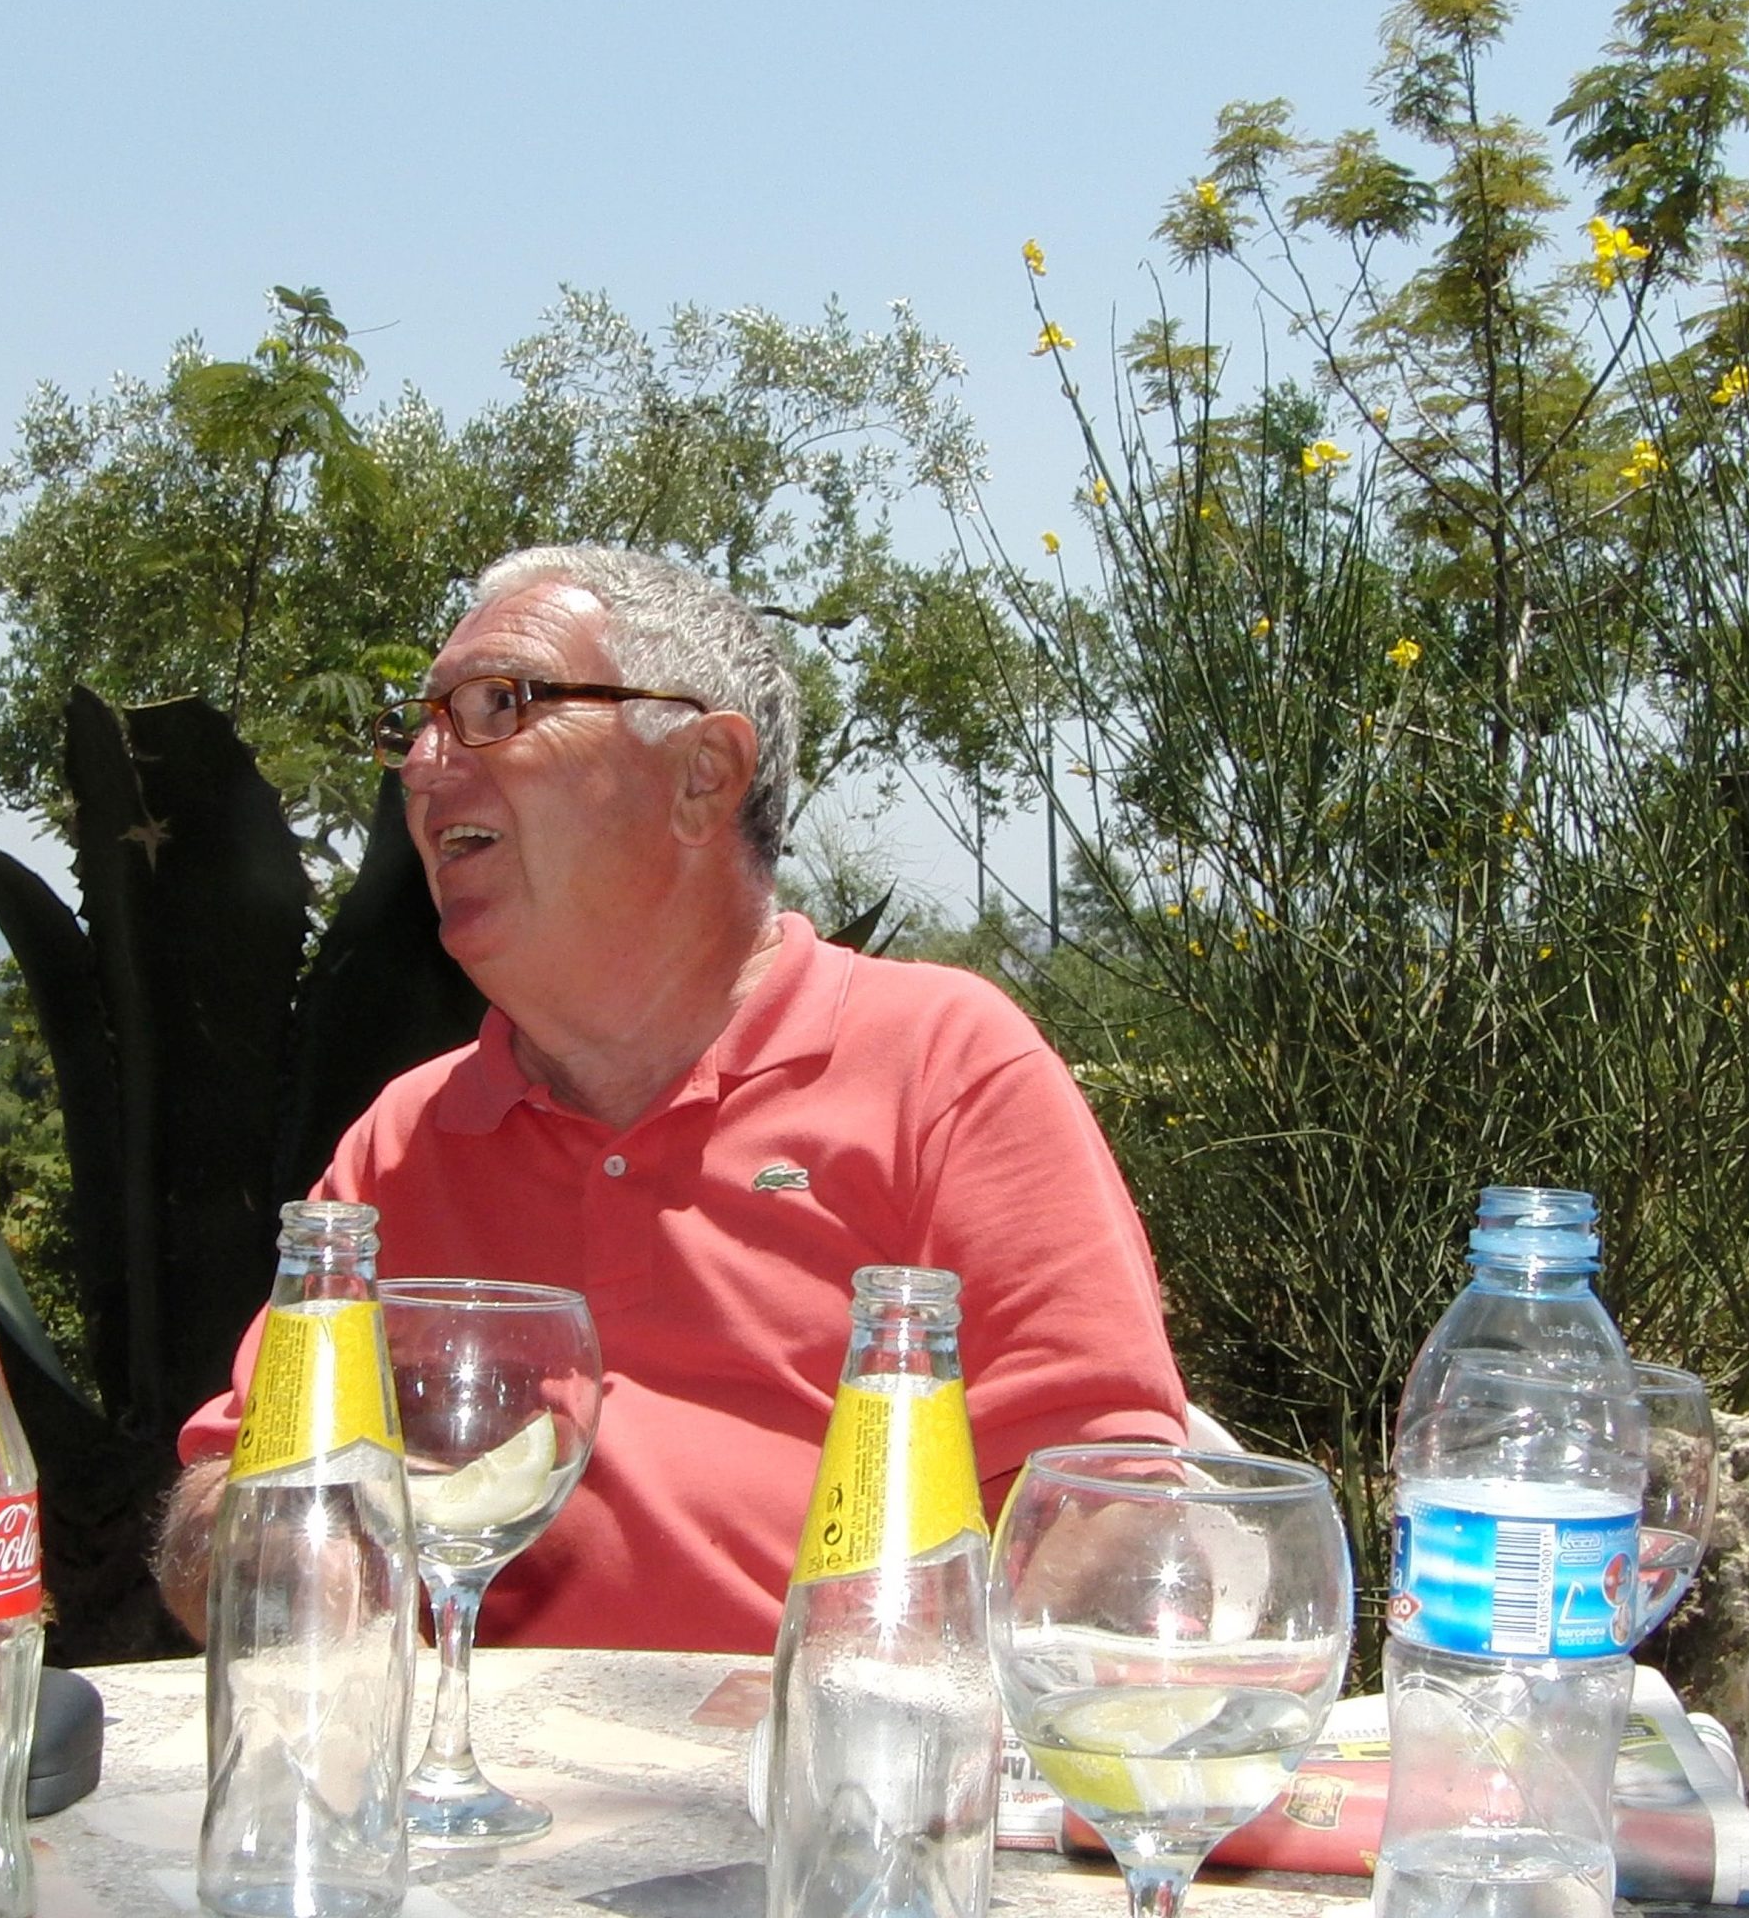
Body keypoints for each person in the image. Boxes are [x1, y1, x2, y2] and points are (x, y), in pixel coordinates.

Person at [157, 544, 1187, 1653]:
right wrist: (284, 1549)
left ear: (703, 773)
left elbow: (1109, 1516)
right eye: (419, 725)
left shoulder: (939, 1067)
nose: (421, 762)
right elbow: (222, 1503)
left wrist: (832, 1705)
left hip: (830, 1751)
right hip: (477, 1758)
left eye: (498, 705)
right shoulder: (404, 1141)